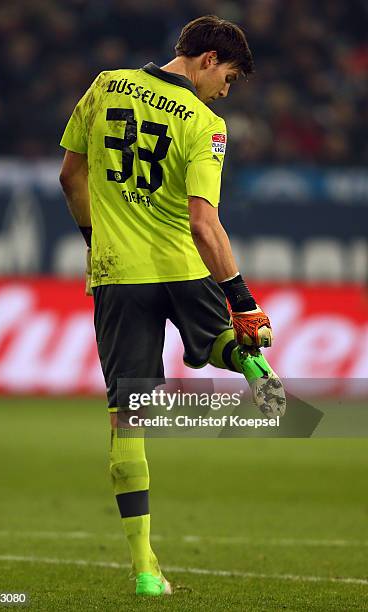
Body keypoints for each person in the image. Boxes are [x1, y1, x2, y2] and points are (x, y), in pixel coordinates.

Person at [59, 15, 284, 597]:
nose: (226, 91)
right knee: (220, 341)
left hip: (119, 273)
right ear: (208, 60)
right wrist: (242, 298)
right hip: (184, 268)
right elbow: (204, 222)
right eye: (229, 77)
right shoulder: (207, 125)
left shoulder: (105, 84)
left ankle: (144, 569)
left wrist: (95, 238)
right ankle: (243, 357)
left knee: (128, 416)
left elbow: (70, 175)